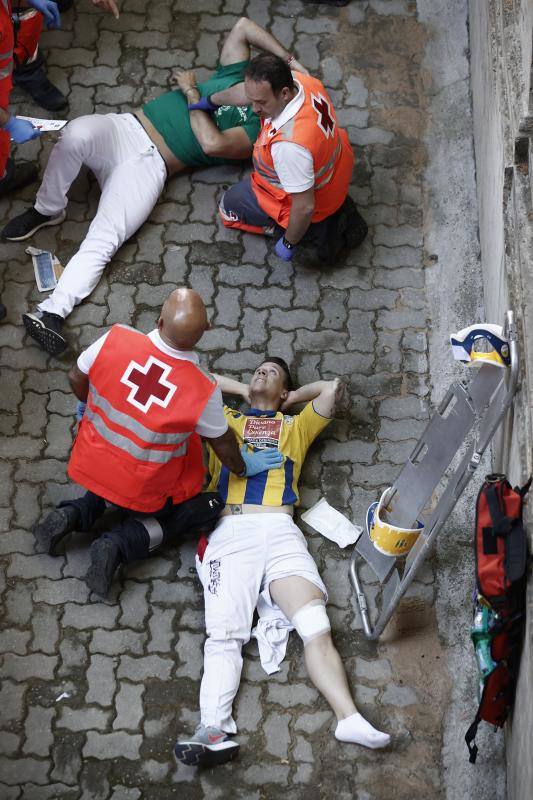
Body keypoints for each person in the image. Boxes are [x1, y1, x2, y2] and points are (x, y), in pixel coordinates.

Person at [1, 17, 306, 356]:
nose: (252, 105)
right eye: (249, 94)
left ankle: (51, 312)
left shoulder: (260, 132)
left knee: (106, 238)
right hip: (125, 129)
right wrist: (293, 63)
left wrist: (192, 92)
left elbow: (213, 144)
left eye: (260, 103)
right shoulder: (237, 77)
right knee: (75, 135)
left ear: (279, 98)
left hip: (151, 166)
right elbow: (243, 27)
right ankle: (48, 210)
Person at [174, 358, 390, 767]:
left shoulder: (294, 427)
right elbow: (196, 380)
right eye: (258, 369)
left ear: (285, 391)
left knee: (315, 624)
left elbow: (333, 388)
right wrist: (243, 389)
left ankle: (349, 718)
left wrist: (293, 398)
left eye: (273, 373)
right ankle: (213, 730)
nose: (262, 373)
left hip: (280, 530)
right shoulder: (223, 417)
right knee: (224, 637)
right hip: (229, 531)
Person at [32, 288, 283, 596]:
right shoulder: (201, 389)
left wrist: (89, 403)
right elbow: (223, 445)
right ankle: (119, 544)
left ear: (159, 320)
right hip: (145, 488)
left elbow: (75, 376)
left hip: (92, 461)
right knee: (206, 507)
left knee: (114, 477)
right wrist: (244, 468)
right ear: (206, 331)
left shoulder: (116, 337)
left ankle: (75, 512)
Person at [212, 53, 367, 265]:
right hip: (334, 180)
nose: (254, 109)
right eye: (252, 100)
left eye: (261, 103)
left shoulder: (289, 147)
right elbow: (250, 94)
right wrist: (210, 101)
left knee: (228, 207)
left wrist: (288, 242)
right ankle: (335, 216)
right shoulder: (304, 82)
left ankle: (291, 232)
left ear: (283, 93)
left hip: (310, 203)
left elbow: (304, 206)